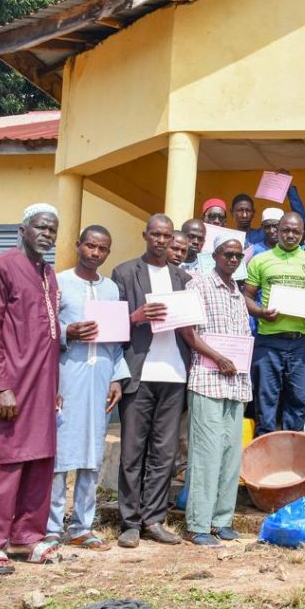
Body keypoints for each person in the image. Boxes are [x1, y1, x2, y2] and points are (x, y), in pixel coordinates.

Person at [0, 204, 63, 574]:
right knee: (4, 460)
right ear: (23, 229)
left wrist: (55, 387)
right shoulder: (0, 267)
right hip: (11, 383)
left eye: (53, 230)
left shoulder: (48, 273)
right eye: (41, 227)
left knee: (39, 460)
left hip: (43, 385)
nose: (47, 235)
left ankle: (26, 537)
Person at [111, 214, 192, 548]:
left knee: (164, 452)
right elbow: (111, 323)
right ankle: (130, 522)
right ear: (145, 235)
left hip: (174, 374)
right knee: (132, 450)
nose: (161, 240)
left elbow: (191, 326)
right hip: (139, 372)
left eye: (166, 236)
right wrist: (135, 316)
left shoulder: (183, 278)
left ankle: (154, 520)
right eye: (156, 234)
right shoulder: (125, 272)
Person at [50, 225, 129, 552]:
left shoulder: (111, 289)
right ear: (78, 245)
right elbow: (44, 327)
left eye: (103, 249)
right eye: (90, 246)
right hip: (67, 375)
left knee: (92, 455)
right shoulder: (58, 283)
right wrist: (67, 332)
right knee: (60, 454)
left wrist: (116, 378)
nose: (96, 253)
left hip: (101, 379)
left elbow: (116, 340)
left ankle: (82, 527)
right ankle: (51, 527)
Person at [177, 233, 253, 547]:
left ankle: (222, 521)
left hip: (236, 384)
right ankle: (197, 524)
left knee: (230, 455)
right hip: (208, 380)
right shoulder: (197, 284)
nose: (232, 260)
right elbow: (188, 332)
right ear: (215, 255)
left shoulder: (237, 292)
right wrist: (218, 357)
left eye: (237, 256)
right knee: (205, 454)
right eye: (227, 254)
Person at [245, 212, 305, 435]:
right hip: (268, 341)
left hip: (302, 342)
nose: (290, 235)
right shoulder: (260, 260)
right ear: (277, 230)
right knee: (265, 399)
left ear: (302, 234)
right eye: (286, 230)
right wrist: (260, 312)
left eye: (296, 232)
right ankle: (264, 449)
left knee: (298, 400)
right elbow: (247, 296)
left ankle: (293, 449)